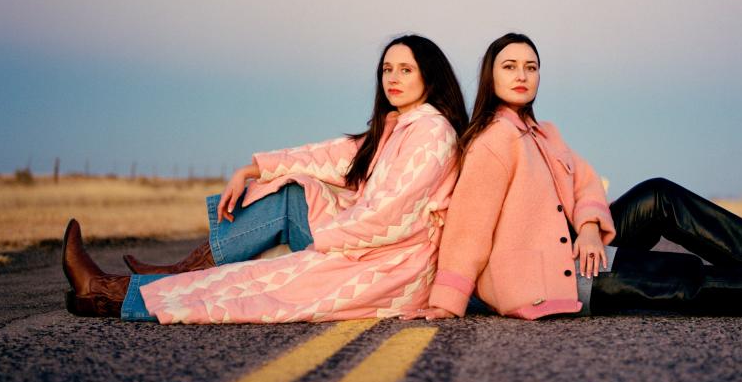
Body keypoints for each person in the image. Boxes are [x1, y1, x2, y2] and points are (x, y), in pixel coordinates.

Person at [412, 33, 742, 322]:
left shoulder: (541, 132)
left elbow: (586, 183)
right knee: (688, 281)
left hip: (573, 244)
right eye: (509, 66)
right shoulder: (493, 141)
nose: (521, 75)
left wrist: (592, 228)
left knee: (658, 195)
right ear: (489, 76)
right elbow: (469, 229)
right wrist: (449, 299)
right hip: (548, 274)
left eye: (530, 67)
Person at [62, 34, 468, 323]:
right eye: (386, 69)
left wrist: (324, 244)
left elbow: (390, 213)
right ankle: (160, 278)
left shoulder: (431, 132)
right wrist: (252, 169)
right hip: (364, 241)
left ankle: (115, 290)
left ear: (428, 78)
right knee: (290, 192)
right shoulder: (398, 126)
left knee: (249, 288)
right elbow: (332, 155)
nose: (392, 78)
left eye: (405, 70)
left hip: (389, 258)